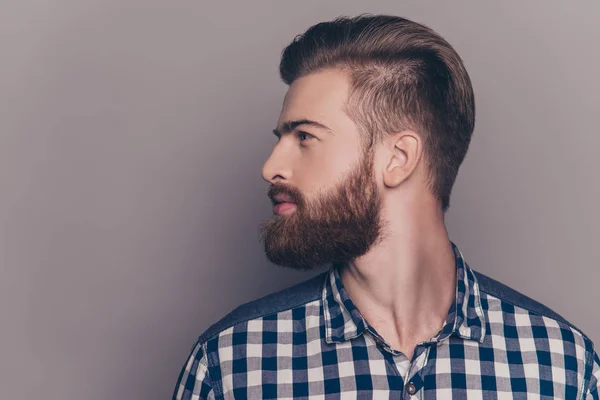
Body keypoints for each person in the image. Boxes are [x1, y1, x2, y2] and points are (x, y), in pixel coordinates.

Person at [172, 13, 599, 399]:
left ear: (398, 158)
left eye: (304, 136)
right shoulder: (231, 364)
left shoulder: (562, 365)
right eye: (279, 138)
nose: (271, 168)